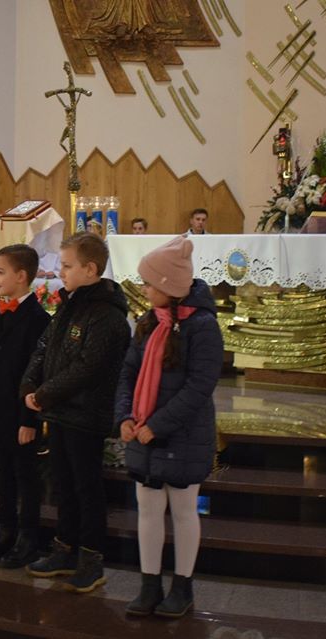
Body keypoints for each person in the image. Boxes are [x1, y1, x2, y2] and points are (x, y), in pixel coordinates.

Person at [115, 236, 223, 618]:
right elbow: (128, 373)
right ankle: (149, 586)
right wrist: (125, 416)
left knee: (183, 510)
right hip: (144, 430)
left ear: (168, 285)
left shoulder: (203, 326)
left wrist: (158, 425)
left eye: (149, 283)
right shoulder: (149, 322)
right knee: (147, 508)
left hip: (184, 434)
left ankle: (182, 586)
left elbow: (200, 386)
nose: (144, 289)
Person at [21, 233, 131, 594]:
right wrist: (29, 383)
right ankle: (64, 550)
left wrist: (44, 393)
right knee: (63, 485)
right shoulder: (70, 304)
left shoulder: (108, 315)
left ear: (90, 269)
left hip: (86, 414)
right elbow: (44, 347)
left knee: (86, 488)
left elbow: (88, 367)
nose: (60, 272)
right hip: (60, 411)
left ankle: (91, 559)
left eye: (67, 266)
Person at [0, 245, 51, 569]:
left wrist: (29, 420)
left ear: (21, 276)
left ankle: (28, 537)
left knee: (25, 476)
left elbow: (37, 374)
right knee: (2, 473)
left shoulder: (39, 319)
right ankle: (4, 532)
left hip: (21, 414)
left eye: (0, 271)